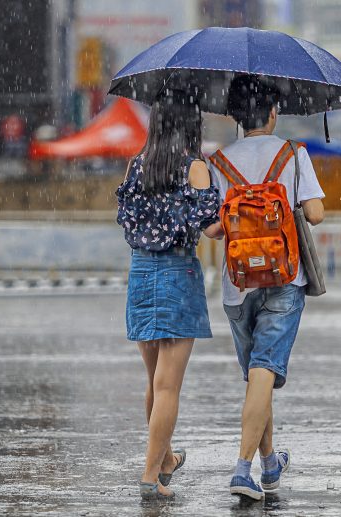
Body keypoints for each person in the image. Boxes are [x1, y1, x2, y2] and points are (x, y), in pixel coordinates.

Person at [210, 77, 326, 501]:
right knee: (263, 371)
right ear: (273, 112)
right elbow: (316, 213)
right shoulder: (293, 154)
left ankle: (271, 463)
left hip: (238, 285)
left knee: (257, 374)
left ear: (237, 118)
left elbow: (212, 230)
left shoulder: (219, 161)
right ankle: (243, 470)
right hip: (284, 277)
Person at [116, 89, 221, 500]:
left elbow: (126, 221)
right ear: (190, 125)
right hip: (177, 273)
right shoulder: (195, 167)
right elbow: (211, 228)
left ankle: (165, 461)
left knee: (153, 382)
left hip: (141, 274)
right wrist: (233, 210)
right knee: (168, 387)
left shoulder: (135, 165)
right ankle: (149, 477)